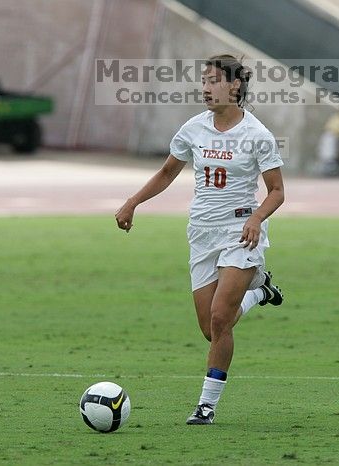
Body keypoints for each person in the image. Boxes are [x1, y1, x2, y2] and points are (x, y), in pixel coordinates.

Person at [115, 54, 285, 425]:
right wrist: (132, 203)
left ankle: (206, 406)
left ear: (234, 86)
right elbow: (166, 173)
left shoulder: (258, 135)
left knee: (222, 319)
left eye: (212, 80)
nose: (205, 88)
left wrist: (257, 218)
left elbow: (276, 192)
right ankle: (259, 291)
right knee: (209, 328)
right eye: (203, 80)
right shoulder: (193, 129)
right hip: (202, 234)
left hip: (241, 232)